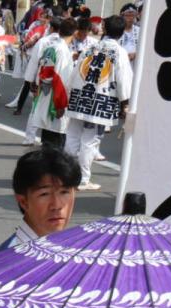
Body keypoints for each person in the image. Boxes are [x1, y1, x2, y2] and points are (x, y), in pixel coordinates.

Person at [65, 14, 132, 191]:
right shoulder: (119, 52)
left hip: (80, 95)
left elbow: (76, 71)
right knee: (90, 141)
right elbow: (124, 80)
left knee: (72, 135)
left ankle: (66, 174)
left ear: (105, 28)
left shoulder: (91, 47)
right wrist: (125, 102)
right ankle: (82, 179)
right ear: (122, 32)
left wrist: (70, 91)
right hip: (101, 99)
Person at [27, 16, 76, 149]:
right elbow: (61, 79)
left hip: (45, 92)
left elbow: (41, 70)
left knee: (47, 137)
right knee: (56, 140)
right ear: (74, 33)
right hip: (55, 98)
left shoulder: (51, 47)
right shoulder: (63, 51)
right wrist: (60, 105)